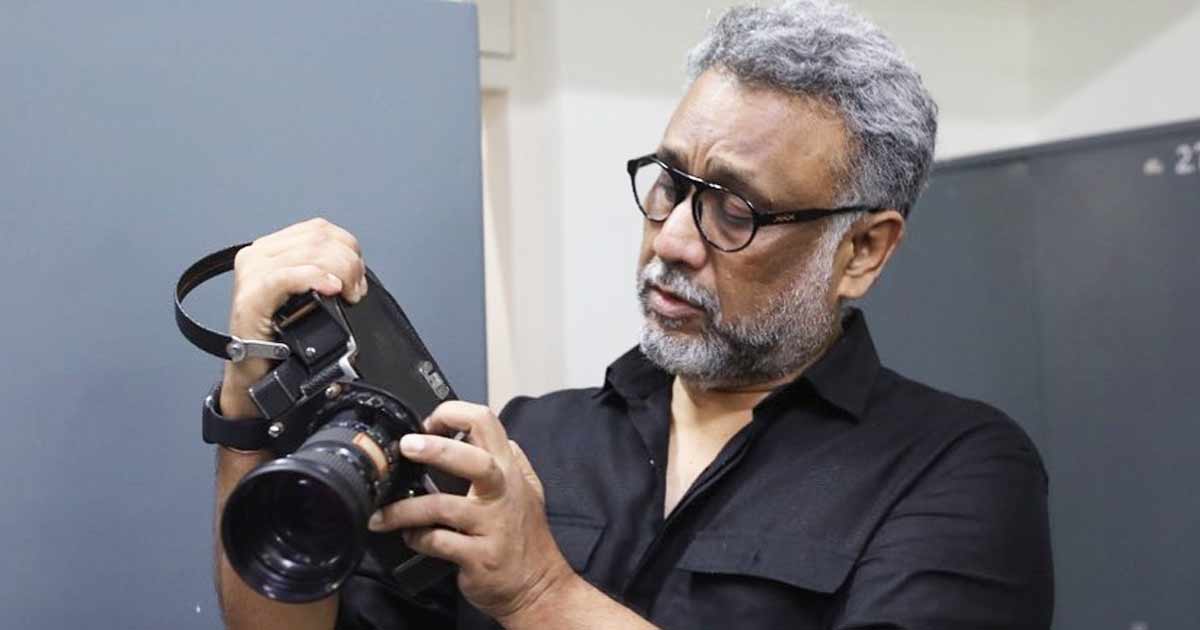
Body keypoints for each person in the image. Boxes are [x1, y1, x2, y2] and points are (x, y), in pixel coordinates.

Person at [210, 1, 1053, 628]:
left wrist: (541, 593)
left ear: (862, 250)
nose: (674, 239)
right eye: (670, 184)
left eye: (735, 210)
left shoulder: (959, 472)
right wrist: (249, 415)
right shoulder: (530, 441)